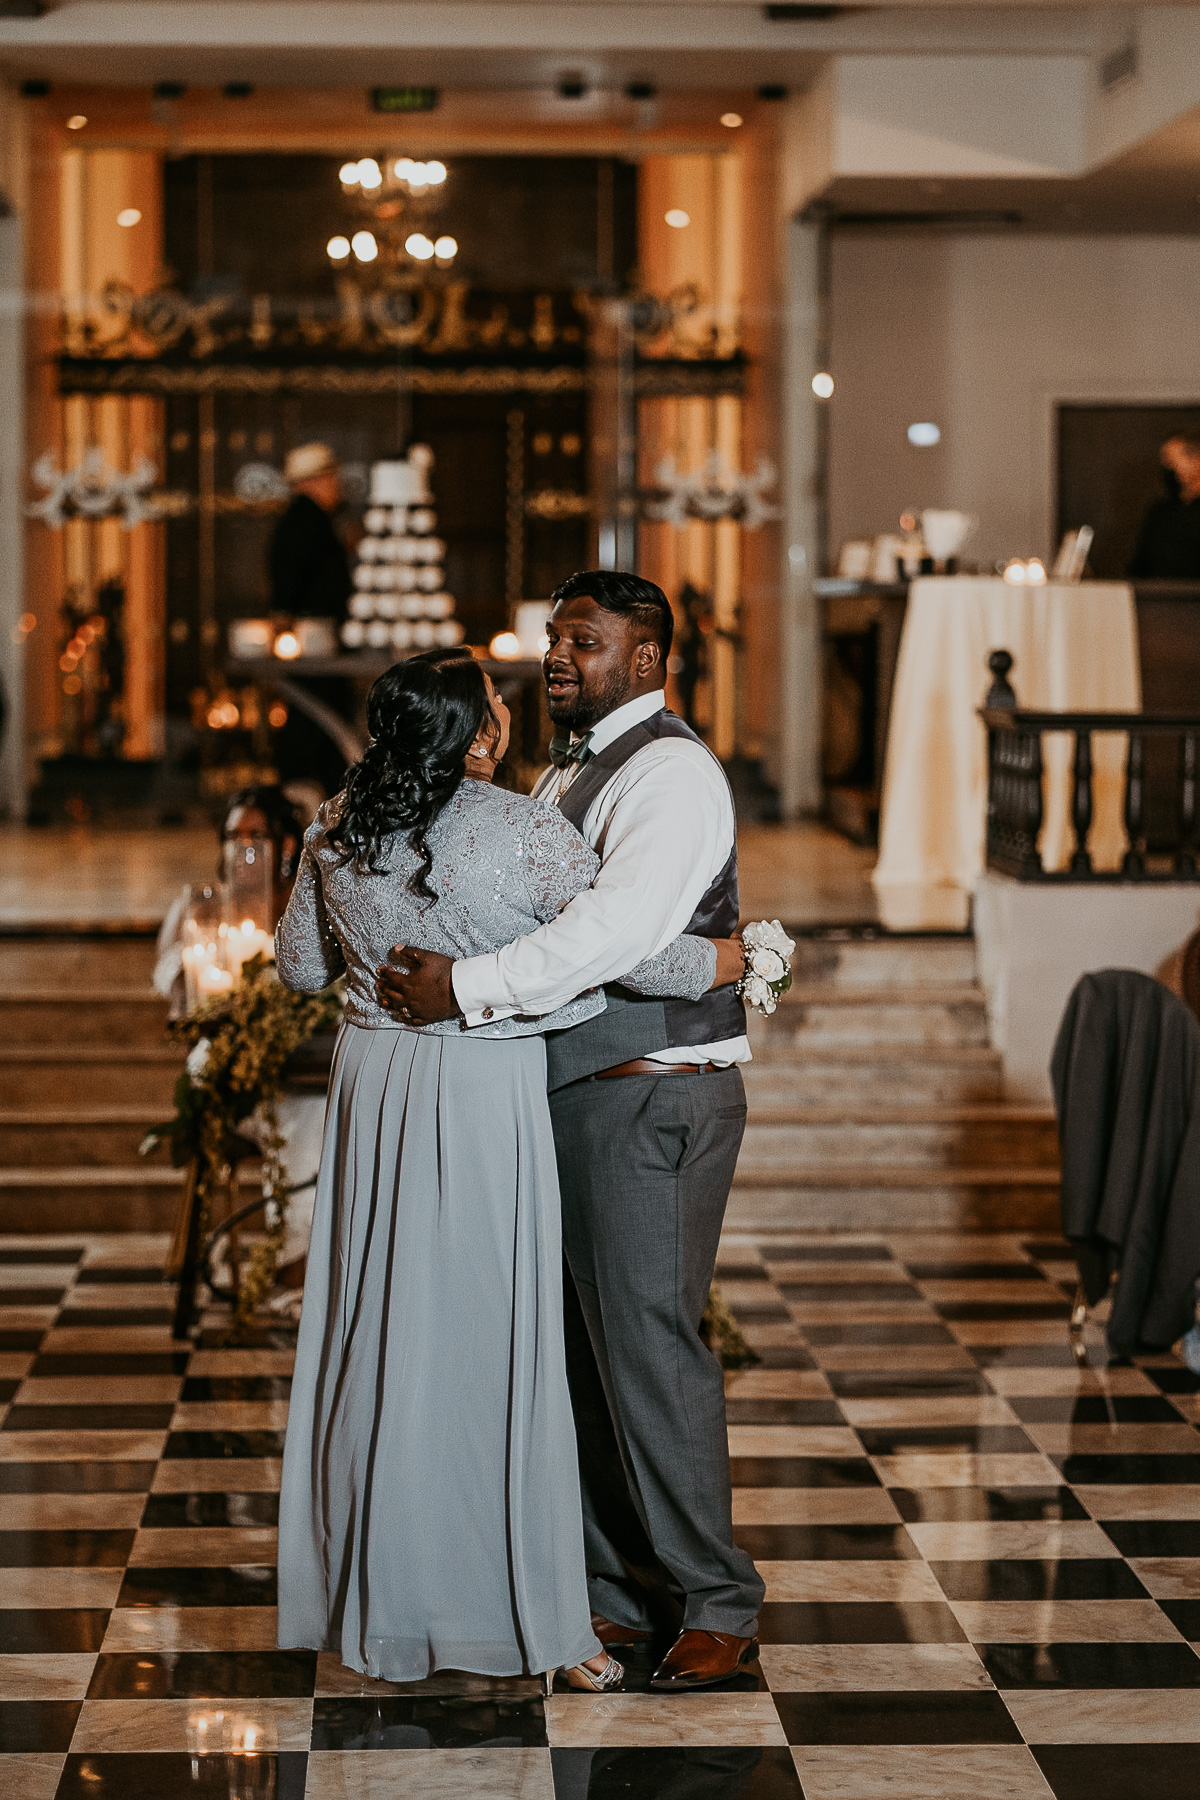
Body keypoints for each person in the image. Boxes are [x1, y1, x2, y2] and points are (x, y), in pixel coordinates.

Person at [273, 646, 742, 1690]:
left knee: (383, 1329)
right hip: (483, 1092)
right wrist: (735, 958)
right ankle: (540, 1620)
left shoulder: (335, 825)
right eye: (497, 705)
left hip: (374, 1085)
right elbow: (630, 951)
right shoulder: (524, 831)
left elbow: (300, 965)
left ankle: (374, 1598)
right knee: (501, 1341)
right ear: (479, 734)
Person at [269, 441, 355, 798]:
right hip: (314, 640)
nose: (336, 485)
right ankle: (310, 786)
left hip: (322, 638)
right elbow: (291, 579)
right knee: (314, 714)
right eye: (330, 478)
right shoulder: (304, 522)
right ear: (313, 481)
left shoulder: (312, 521)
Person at [1128, 433, 1200, 578]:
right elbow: (1141, 563)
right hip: (1159, 595)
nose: (1168, 467)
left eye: (1174, 461)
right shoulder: (1160, 512)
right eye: (1166, 461)